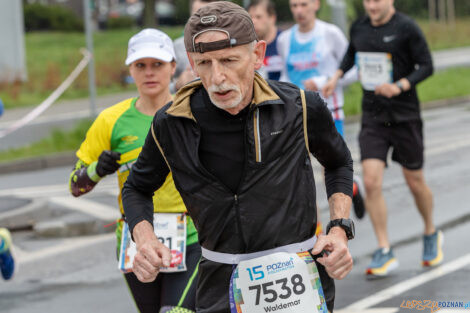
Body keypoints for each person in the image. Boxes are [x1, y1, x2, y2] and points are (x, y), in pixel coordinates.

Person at [123, 2, 355, 312]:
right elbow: (137, 187)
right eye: (204, 63)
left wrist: (339, 229)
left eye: (229, 60)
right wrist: (145, 237)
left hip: (298, 282)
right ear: (191, 62)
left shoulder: (300, 107)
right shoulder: (171, 122)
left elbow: (338, 161)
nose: (217, 77)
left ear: (258, 54)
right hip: (219, 282)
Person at [69, 29, 200, 312]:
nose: (149, 73)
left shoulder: (191, 111)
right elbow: (75, 185)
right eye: (141, 66)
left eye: (158, 65)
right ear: (130, 69)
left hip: (191, 235)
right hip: (136, 239)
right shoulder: (111, 120)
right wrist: (96, 169)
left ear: (173, 67)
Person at [323, 0, 443, 278]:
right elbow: (351, 54)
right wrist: (336, 77)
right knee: (372, 180)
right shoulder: (360, 27)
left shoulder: (406, 27)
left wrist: (399, 86)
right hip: (373, 117)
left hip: (404, 116)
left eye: (377, 0)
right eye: (367, 1)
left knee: (415, 181)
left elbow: (426, 66)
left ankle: (430, 232)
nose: (372, 5)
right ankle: (384, 248)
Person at [278, 0, 366, 219]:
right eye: (294, 6)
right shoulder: (284, 39)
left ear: (316, 5)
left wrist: (324, 80)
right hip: (297, 113)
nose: (299, 11)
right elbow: (285, 75)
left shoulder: (330, 33)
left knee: (331, 168)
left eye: (304, 5)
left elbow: (354, 70)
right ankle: (312, 231)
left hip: (330, 111)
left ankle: (349, 194)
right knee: (299, 171)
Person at [173, 0, 220, 92]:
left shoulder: (232, 45)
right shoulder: (177, 46)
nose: (203, 21)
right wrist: (177, 84)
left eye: (209, 16)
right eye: (198, 15)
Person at [248, 0, 283, 81]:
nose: (253, 21)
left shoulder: (285, 40)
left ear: (272, 18)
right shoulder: (247, 45)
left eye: (258, 17)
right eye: (250, 17)